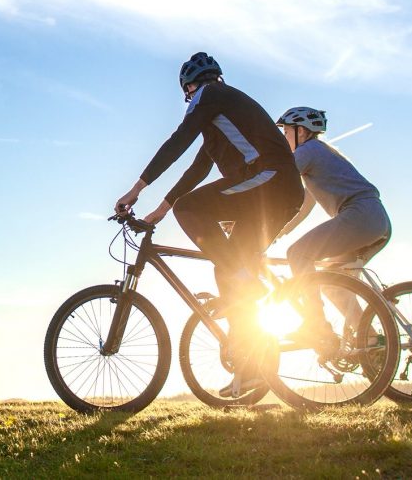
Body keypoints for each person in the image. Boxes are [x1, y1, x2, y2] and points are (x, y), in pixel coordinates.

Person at [114, 52, 304, 394]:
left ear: (190, 88)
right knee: (227, 272)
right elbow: (198, 168)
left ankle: (249, 281)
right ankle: (251, 370)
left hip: (270, 180)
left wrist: (136, 188)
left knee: (192, 211)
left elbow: (178, 140)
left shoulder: (210, 95)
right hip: (276, 191)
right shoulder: (220, 120)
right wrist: (159, 210)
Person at [275, 106, 392, 344]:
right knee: (333, 285)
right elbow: (302, 208)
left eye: (286, 131)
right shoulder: (318, 155)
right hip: (376, 220)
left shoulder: (309, 150)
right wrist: (277, 232)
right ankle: (371, 342)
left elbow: (277, 182)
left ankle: (315, 324)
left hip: (359, 214)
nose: (283, 138)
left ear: (302, 132)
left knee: (298, 254)